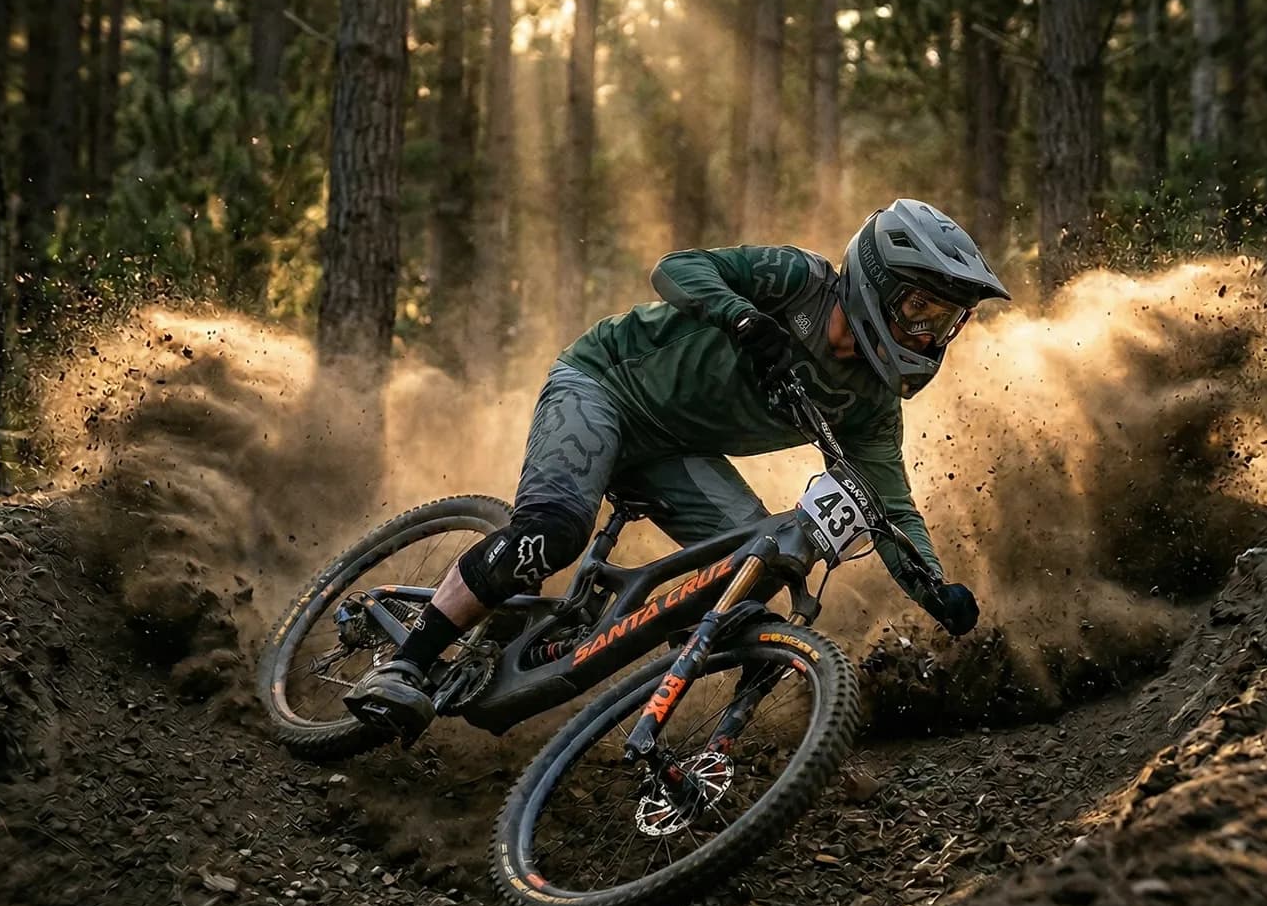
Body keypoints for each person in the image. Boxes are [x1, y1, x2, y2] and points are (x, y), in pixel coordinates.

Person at [345, 198, 1011, 738]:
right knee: (553, 530)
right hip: (603, 384)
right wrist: (746, 320)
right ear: (878, 282)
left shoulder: (870, 405)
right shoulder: (798, 282)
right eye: (921, 309)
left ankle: (648, 702)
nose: (929, 334)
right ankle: (406, 663)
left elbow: (888, 508)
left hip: (673, 454)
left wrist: (936, 590)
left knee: (757, 567)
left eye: (946, 321)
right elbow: (676, 269)